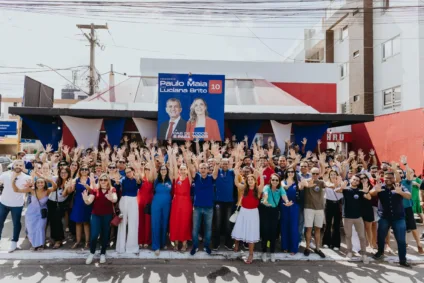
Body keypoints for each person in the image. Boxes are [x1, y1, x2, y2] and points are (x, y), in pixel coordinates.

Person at [370, 172, 412, 268]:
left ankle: (402, 260)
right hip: (384, 217)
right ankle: (380, 252)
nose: (388, 179)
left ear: (394, 178)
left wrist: (400, 192)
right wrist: (376, 190)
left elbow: (409, 196)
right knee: (380, 237)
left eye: (390, 177)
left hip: (399, 218)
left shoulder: (399, 186)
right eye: (386, 178)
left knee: (401, 240)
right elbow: (371, 194)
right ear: (383, 178)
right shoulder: (380, 186)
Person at [12, 173, 57, 251]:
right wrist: (13, 181)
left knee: (40, 228)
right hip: (31, 212)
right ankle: (34, 244)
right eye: (38, 182)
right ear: (36, 184)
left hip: (42, 212)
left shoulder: (47, 191)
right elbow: (17, 190)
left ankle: (41, 245)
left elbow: (55, 187)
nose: (40, 184)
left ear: (44, 183)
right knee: (31, 229)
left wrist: (50, 180)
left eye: (42, 182)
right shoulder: (32, 190)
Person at [83, 173, 117, 264]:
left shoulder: (112, 189)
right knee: (94, 235)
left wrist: (112, 198)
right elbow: (89, 201)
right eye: (101, 179)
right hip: (96, 215)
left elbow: (115, 198)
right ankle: (91, 253)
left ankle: (103, 253)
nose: (103, 181)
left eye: (105, 180)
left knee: (105, 235)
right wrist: (86, 199)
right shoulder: (95, 190)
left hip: (107, 215)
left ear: (108, 181)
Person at [233, 168, 264, 264]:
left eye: (252, 180)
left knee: (251, 233)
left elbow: (262, 184)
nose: (250, 181)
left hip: (253, 213)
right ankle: (236, 244)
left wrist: (261, 174)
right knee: (239, 228)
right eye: (249, 180)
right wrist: (236, 173)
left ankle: (251, 254)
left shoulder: (258, 190)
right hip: (243, 211)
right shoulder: (244, 188)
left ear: (255, 181)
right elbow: (237, 184)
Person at [336, 175, 370, 263]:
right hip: (347, 217)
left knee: (362, 236)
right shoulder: (346, 189)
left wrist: (366, 192)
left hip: (358, 217)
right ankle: (349, 252)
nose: (355, 181)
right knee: (348, 236)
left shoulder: (360, 191)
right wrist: (341, 187)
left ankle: (364, 254)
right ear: (351, 180)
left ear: (359, 183)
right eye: (354, 179)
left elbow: (369, 198)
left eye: (357, 180)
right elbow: (336, 191)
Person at [0, 160, 32, 252]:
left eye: (20, 165)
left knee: (16, 223)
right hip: (3, 203)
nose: (18, 166)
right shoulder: (5, 174)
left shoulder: (27, 177)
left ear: (23, 167)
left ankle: (14, 242)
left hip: (17, 204)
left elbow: (29, 189)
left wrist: (29, 186)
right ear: (13, 166)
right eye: (16, 165)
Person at [260, 173, 293, 262]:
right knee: (265, 232)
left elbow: (284, 196)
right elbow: (265, 194)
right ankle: (264, 252)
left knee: (273, 233)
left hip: (274, 212)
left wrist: (287, 201)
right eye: (273, 180)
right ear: (270, 180)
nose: (274, 181)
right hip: (265, 211)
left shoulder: (280, 189)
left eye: (276, 180)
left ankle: (272, 252)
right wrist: (266, 200)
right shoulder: (267, 187)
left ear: (279, 182)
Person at [190, 160, 219, 256]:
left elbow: (215, 173)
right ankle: (195, 246)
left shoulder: (211, 178)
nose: (203, 169)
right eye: (201, 168)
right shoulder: (197, 177)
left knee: (208, 229)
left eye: (205, 168)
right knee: (195, 229)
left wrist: (217, 163)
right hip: (197, 207)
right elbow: (191, 169)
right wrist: (188, 158)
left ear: (208, 170)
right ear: (199, 169)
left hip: (209, 208)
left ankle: (206, 246)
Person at [169, 147, 193, 252]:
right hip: (176, 202)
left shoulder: (189, 179)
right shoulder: (176, 178)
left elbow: (191, 167)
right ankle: (176, 243)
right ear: (179, 170)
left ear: (187, 170)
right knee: (176, 222)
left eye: (184, 169)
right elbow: (173, 166)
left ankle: (184, 243)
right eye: (181, 169)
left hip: (186, 203)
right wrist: (173, 155)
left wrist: (187, 158)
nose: (183, 171)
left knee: (185, 222)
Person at [299, 167, 326, 258]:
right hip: (309, 208)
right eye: (313, 173)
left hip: (319, 209)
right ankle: (307, 247)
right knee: (309, 229)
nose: (315, 175)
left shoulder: (321, 182)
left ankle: (317, 248)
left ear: (319, 174)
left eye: (316, 174)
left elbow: (329, 184)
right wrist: (306, 184)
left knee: (318, 229)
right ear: (310, 173)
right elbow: (301, 186)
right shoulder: (306, 180)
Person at [117, 166, 141, 254]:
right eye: (126, 172)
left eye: (129, 172)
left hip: (133, 201)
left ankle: (132, 247)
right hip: (124, 200)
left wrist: (138, 179)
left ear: (133, 171)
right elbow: (117, 183)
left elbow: (140, 185)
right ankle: (121, 247)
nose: (128, 173)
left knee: (133, 223)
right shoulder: (123, 179)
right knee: (122, 223)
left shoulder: (137, 180)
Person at [212, 158, 236, 251]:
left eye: (226, 163)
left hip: (229, 202)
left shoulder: (231, 172)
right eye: (223, 163)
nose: (225, 165)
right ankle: (215, 244)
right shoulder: (217, 171)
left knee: (228, 224)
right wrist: (217, 163)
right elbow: (214, 176)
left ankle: (228, 243)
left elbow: (237, 168)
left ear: (229, 164)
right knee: (217, 223)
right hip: (218, 201)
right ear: (221, 164)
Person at [48, 167, 73, 249]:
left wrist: (66, 187)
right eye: (62, 172)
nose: (63, 174)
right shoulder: (55, 179)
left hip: (61, 204)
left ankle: (59, 240)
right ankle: (53, 238)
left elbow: (64, 195)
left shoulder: (70, 182)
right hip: (51, 202)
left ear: (68, 173)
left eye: (65, 172)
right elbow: (46, 178)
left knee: (58, 222)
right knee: (52, 221)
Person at [69, 164, 92, 249]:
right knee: (78, 222)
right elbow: (71, 190)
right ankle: (78, 241)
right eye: (82, 169)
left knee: (86, 222)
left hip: (87, 201)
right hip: (78, 202)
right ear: (80, 170)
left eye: (86, 169)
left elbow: (92, 190)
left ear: (88, 170)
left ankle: (87, 242)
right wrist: (70, 184)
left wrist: (86, 186)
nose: (84, 171)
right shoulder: (76, 179)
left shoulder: (91, 179)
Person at [281, 168, 302, 254]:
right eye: (289, 172)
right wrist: (290, 184)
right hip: (284, 205)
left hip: (294, 206)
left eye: (292, 172)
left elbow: (301, 188)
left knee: (293, 227)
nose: (290, 173)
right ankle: (285, 246)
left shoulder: (298, 182)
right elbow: (284, 188)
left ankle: (293, 248)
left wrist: (302, 183)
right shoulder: (283, 181)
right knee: (284, 226)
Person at [137, 154, 155, 248]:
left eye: (149, 169)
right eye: (146, 168)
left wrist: (150, 158)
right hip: (140, 202)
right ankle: (140, 240)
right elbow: (137, 171)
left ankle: (147, 240)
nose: (147, 170)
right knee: (140, 221)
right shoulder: (141, 177)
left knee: (148, 222)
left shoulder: (152, 179)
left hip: (149, 202)